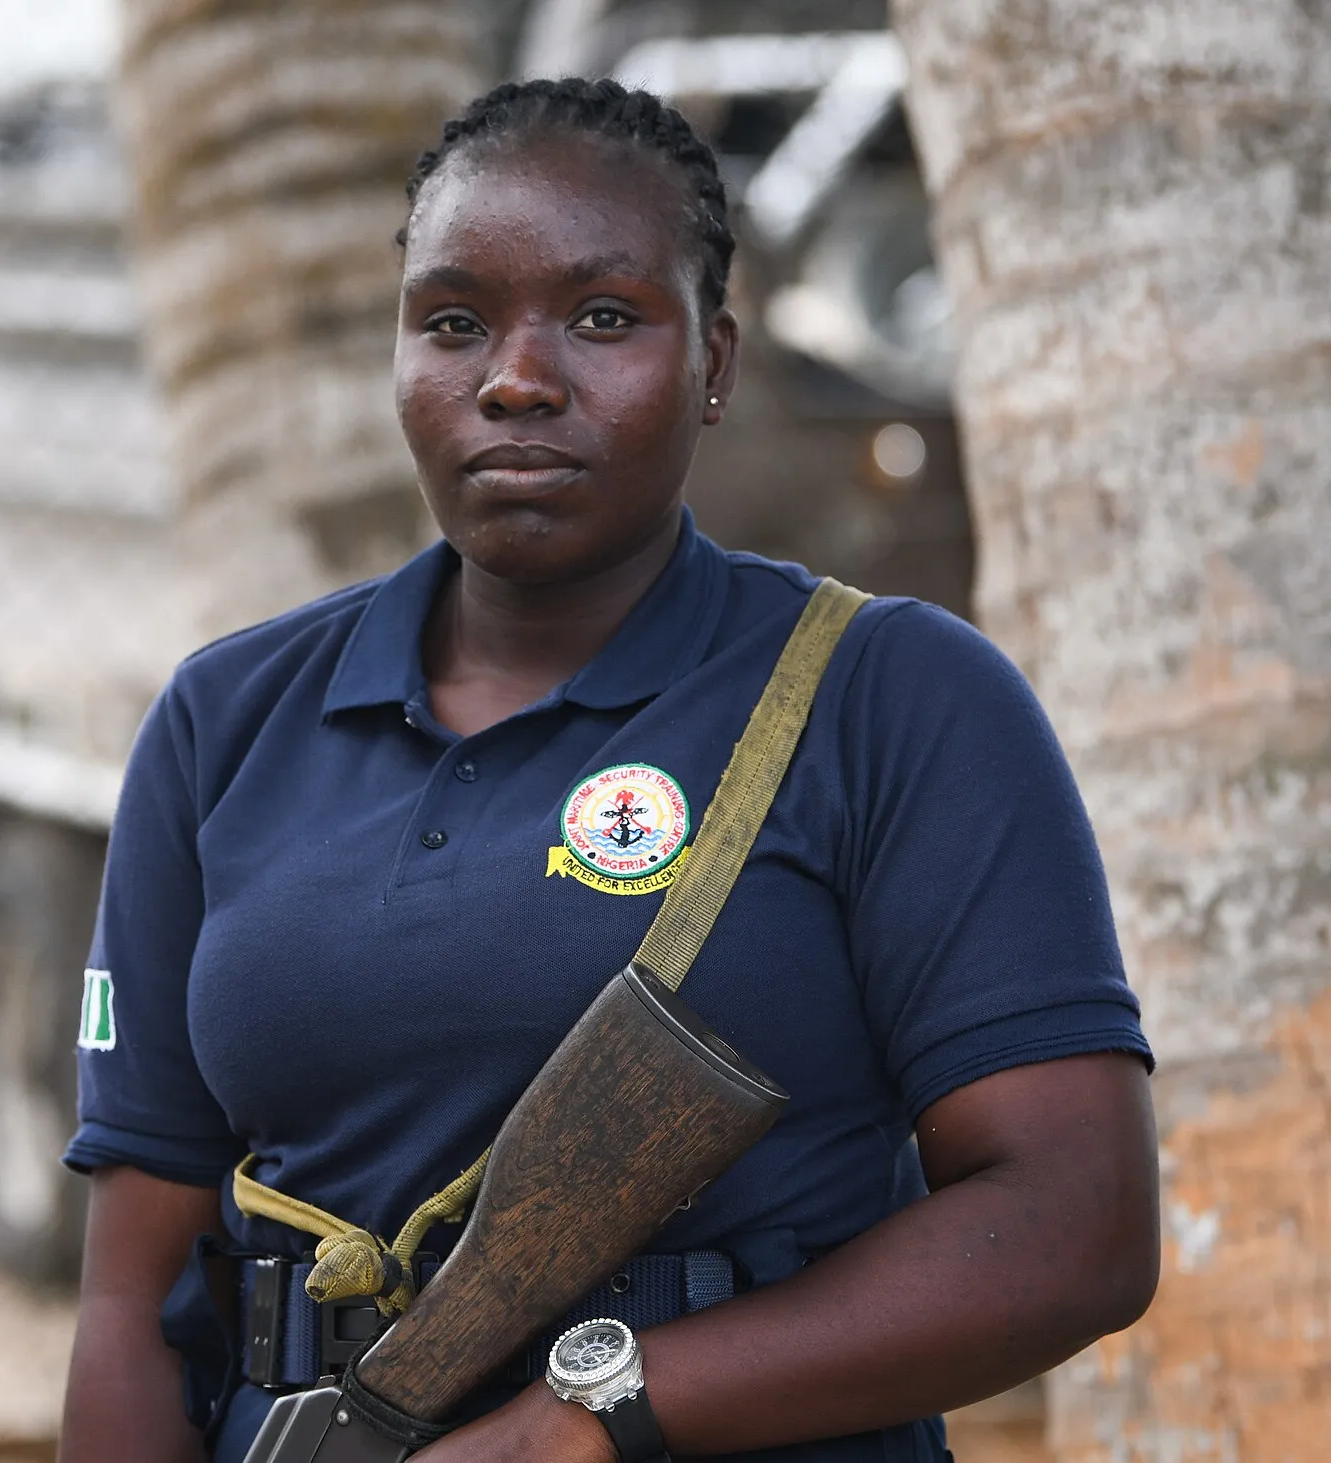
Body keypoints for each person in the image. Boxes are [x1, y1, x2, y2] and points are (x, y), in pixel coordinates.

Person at [57, 78, 1159, 1463]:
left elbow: (1076, 1218)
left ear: (716, 360)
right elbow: (130, 1299)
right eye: (453, 322)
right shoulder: (229, 718)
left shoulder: (891, 699)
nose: (516, 376)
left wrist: (595, 1415)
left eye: (602, 317)